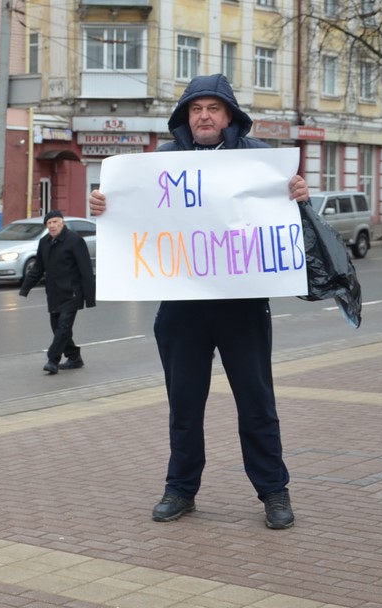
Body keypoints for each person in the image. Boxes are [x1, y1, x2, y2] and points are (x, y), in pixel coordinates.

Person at [88, 73, 310, 530]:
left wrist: (302, 199)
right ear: (185, 117)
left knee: (256, 403)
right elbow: (132, 215)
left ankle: (274, 491)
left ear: (229, 116)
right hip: (182, 306)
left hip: (241, 304)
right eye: (195, 109)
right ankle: (180, 489)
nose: (204, 117)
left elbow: (288, 223)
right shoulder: (160, 162)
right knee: (184, 405)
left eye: (213, 108)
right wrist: (103, 206)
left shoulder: (261, 161)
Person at [19, 210, 96, 374]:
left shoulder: (75, 241)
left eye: (55, 222)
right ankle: (74, 357)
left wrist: (89, 297)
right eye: (49, 223)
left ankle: (52, 360)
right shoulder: (44, 242)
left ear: (62, 223)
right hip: (54, 293)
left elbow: (86, 269)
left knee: (63, 327)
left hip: (72, 293)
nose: (52, 225)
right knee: (58, 328)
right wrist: (26, 287)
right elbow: (38, 268)